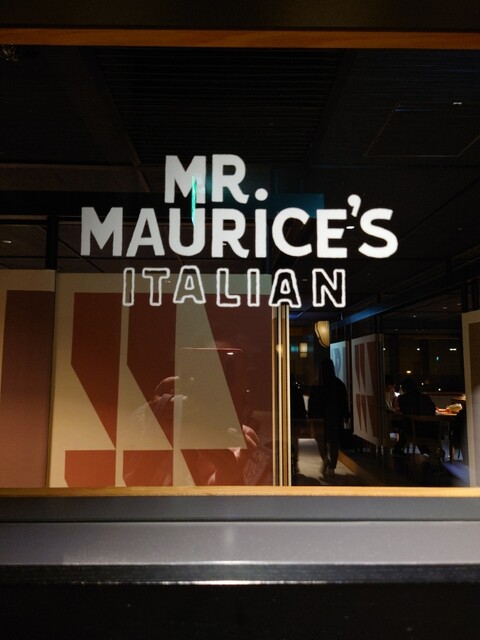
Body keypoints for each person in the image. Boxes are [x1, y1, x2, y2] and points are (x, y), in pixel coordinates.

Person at [308, 358, 350, 478]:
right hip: (335, 418)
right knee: (334, 443)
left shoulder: (316, 384)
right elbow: (343, 402)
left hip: (320, 418)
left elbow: (312, 404)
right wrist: (346, 416)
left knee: (320, 440)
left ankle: (325, 459)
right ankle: (332, 467)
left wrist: (310, 418)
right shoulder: (339, 384)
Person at [395, 377, 436, 456]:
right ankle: (425, 450)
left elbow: (404, 411)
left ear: (404, 388)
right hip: (430, 429)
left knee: (405, 425)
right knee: (414, 425)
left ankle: (398, 449)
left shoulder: (403, 399)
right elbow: (432, 410)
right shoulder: (425, 398)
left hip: (412, 429)